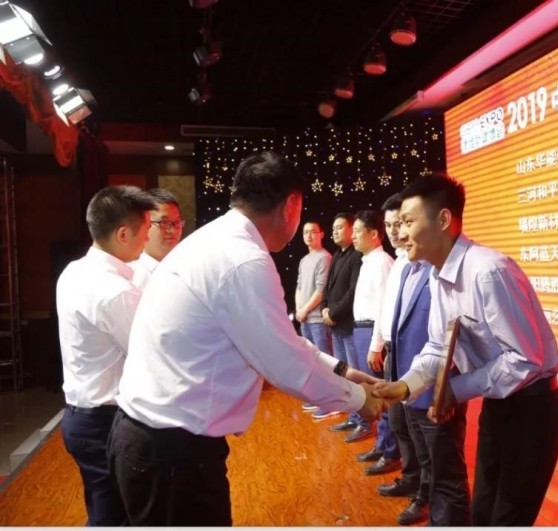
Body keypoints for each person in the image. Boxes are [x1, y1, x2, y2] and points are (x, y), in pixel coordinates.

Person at [108, 151, 384, 526]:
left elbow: (277, 340)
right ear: (290, 205)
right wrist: (360, 399)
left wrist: (342, 371)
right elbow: (285, 364)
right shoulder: (244, 259)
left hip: (152, 439)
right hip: (171, 451)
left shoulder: (216, 239)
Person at [374, 173, 558, 526]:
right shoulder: (437, 275)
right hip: (499, 405)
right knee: (482, 513)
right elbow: (438, 345)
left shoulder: (488, 271)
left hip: (533, 409)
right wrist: (406, 385)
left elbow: (525, 361)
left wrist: (455, 390)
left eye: (408, 222)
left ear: (443, 220)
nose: (400, 233)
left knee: (508, 517)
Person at [56, 185, 156, 525]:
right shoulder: (115, 291)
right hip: (104, 421)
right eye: (146, 230)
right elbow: (151, 354)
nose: (148, 239)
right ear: (123, 234)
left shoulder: (74, 270)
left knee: (105, 512)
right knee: (116, 518)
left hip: (80, 415)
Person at [386, 255, 471, 526]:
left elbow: (454, 341)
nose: (400, 234)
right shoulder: (406, 270)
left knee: (446, 471)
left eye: (408, 230)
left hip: (438, 388)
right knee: (426, 459)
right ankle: (428, 505)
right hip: (412, 380)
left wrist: (453, 390)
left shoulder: (452, 271)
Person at [344, 209, 394, 445]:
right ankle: (381, 442)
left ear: (373, 234)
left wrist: (376, 345)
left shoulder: (382, 262)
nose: (352, 236)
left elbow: (384, 306)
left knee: (379, 389)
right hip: (361, 329)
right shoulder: (368, 262)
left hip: (372, 330)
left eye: (357, 231)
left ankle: (387, 446)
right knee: (368, 387)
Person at [324, 213, 364, 433]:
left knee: (353, 374)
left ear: (351, 230)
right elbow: (328, 288)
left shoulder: (356, 255)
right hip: (335, 325)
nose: (335, 232)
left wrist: (334, 313)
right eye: (334, 229)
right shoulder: (337, 256)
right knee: (341, 375)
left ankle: (363, 421)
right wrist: (324, 308)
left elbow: (353, 291)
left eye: (340, 227)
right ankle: (352, 416)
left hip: (348, 325)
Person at [294, 220, 334, 415]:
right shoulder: (304, 260)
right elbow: (299, 286)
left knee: (324, 362)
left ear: (321, 234)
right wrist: (298, 308)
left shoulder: (324, 257)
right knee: (311, 362)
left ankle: (331, 402)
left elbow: (321, 290)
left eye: (312, 232)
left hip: (317, 320)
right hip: (305, 319)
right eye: (305, 232)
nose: (308, 236)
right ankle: (320, 398)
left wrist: (305, 310)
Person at [130, 188, 184, 290]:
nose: (173, 230)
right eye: (164, 223)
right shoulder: (133, 278)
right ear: (143, 225)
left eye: (177, 222)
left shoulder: (187, 266)